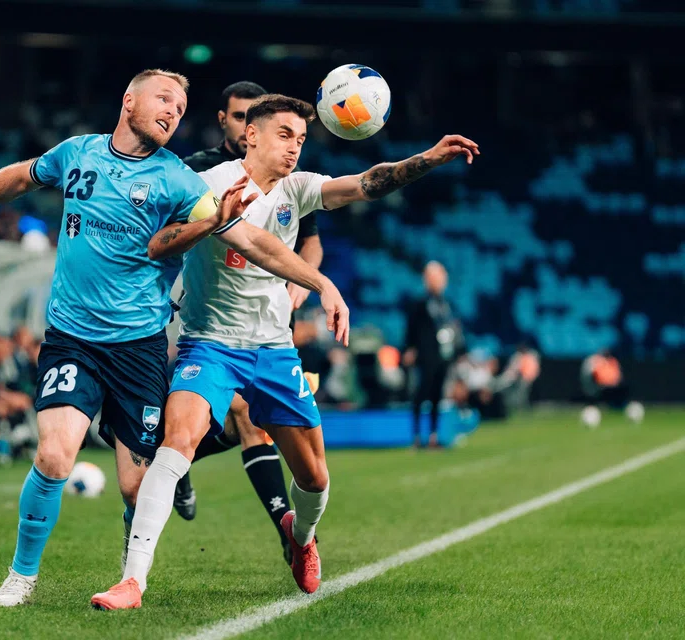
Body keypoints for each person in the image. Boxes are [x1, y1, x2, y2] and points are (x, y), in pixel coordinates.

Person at [0, 70, 350, 608]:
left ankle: (131, 569)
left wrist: (318, 282)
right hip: (72, 338)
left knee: (134, 486)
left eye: (181, 106)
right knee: (54, 456)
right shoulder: (77, 153)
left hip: (140, 348)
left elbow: (252, 241)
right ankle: (21, 575)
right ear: (129, 101)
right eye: (164, 99)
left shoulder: (180, 180)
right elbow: (21, 176)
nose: (173, 110)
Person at [92, 95, 479, 609]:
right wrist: (319, 283)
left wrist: (426, 159)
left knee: (314, 478)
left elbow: (366, 183)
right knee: (177, 440)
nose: (294, 147)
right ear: (250, 135)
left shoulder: (298, 188)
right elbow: (175, 239)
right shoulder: (209, 183)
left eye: (300, 138)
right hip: (209, 344)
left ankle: (301, 536)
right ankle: (133, 580)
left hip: (275, 349)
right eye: (284, 135)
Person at [173, 81, 325, 563]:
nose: (244, 127)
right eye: (238, 118)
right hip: (202, 318)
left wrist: (304, 281)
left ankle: (289, 532)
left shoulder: (285, 178)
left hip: (265, 326)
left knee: (250, 424)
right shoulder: (198, 171)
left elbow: (308, 241)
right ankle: (173, 463)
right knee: (234, 420)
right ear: (228, 121)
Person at [403, 261, 465, 448]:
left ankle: (433, 436)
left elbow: (454, 329)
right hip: (425, 355)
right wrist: (409, 348)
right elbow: (411, 329)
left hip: (443, 355)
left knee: (437, 395)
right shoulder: (420, 304)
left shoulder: (446, 304)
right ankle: (416, 436)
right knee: (421, 393)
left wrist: (458, 351)